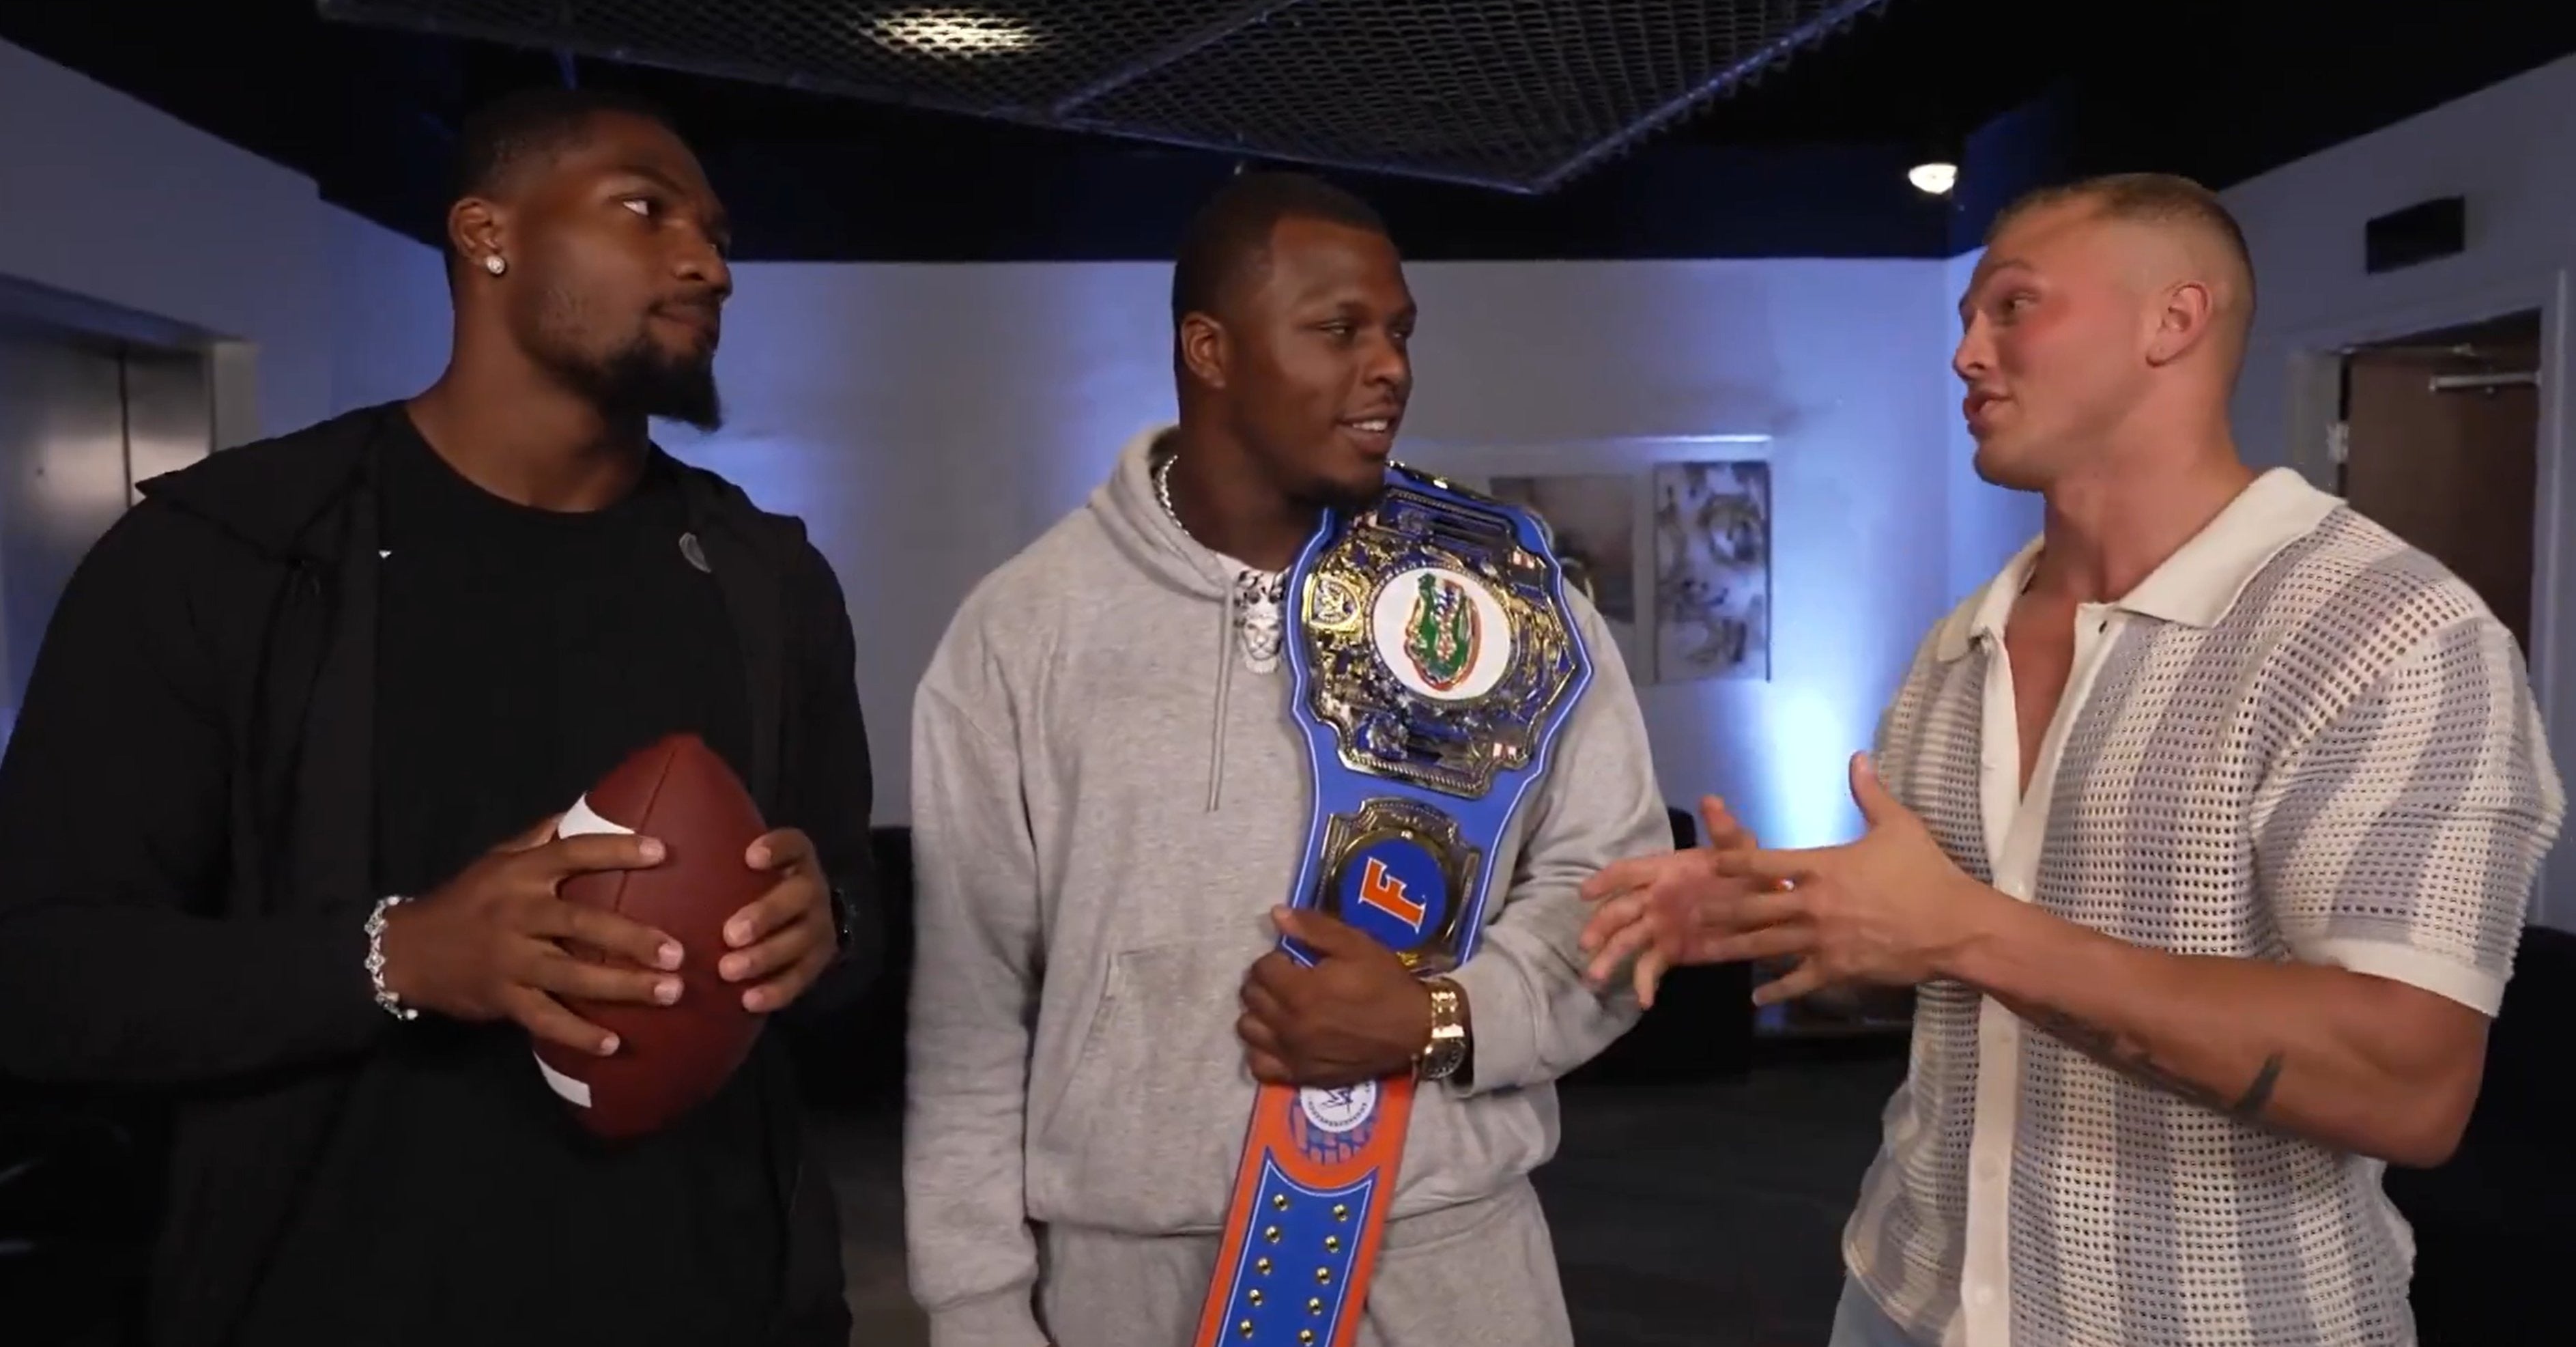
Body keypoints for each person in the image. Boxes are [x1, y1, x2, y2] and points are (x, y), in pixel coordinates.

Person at [1577, 173, 2564, 1347]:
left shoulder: (2388, 634)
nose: (1964, 354)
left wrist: (1963, 926)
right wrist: (1789, 913)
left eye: (2009, 306)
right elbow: (1930, 969)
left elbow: (2407, 1083)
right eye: (1963, 320)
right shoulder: (1963, 643)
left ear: (2172, 321)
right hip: (1905, 1298)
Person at [0, 87, 879, 1347]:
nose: (707, 263)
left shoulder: (765, 578)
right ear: (487, 234)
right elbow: (39, 976)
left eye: (716, 233)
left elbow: (856, 915)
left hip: (709, 1298)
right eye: (646, 209)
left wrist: (827, 922)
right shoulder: (224, 555)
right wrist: (399, 954)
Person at [903, 170, 1670, 1347]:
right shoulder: (1022, 631)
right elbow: (968, 1014)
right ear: (1209, 350)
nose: (1390, 368)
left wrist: (1440, 1020)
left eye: (1400, 331)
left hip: (1448, 1274)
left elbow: (1615, 900)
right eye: (1338, 330)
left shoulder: (1500, 600)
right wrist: (974, 1312)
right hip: (1123, 1285)